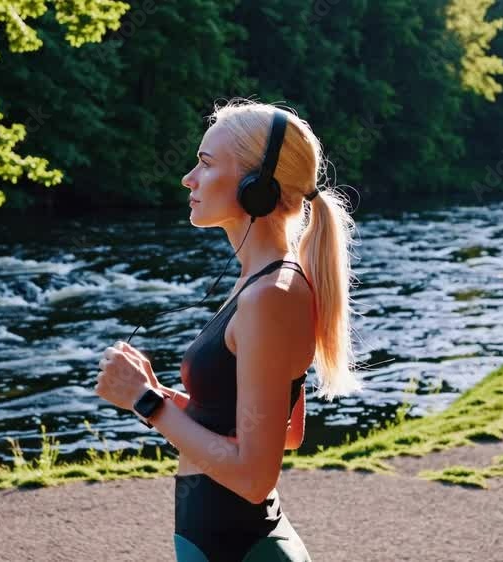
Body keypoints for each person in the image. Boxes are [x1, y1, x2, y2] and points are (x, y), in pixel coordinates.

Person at [95, 99, 363, 561]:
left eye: (204, 163)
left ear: (254, 186)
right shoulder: (260, 283)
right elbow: (281, 432)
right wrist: (156, 393)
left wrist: (147, 402)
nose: (188, 178)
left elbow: (254, 478)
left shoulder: (270, 296)